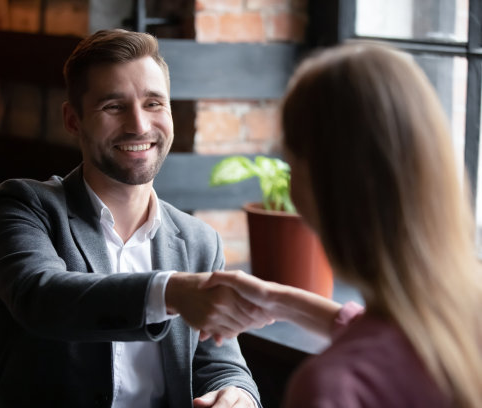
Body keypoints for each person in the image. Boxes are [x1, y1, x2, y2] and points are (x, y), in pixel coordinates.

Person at [0, 29, 272, 408]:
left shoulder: (200, 241)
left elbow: (221, 366)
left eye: (153, 103)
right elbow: (42, 297)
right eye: (114, 106)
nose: (138, 125)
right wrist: (169, 292)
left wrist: (238, 396)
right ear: (73, 120)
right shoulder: (23, 206)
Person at [204, 42, 482, 407]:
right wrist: (280, 302)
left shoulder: (332, 388)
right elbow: (397, 338)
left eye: (291, 162)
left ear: (314, 190)